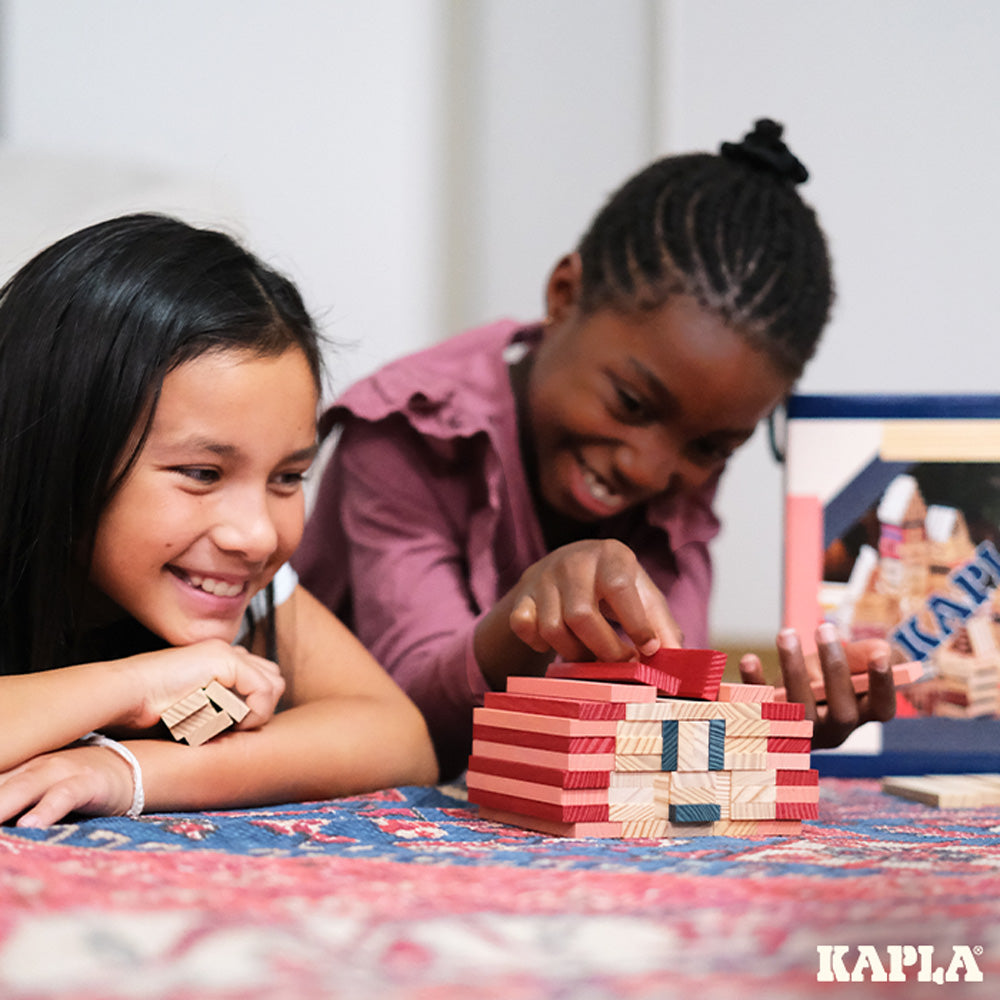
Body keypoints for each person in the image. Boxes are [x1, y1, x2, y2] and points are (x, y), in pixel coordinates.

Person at [294, 120, 897, 781]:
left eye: (711, 448)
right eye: (632, 405)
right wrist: (527, 611)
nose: (648, 468)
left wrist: (760, 726)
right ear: (563, 296)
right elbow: (413, 725)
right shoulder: (408, 431)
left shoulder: (679, 471)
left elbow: (657, 710)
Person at [0, 214, 439, 827]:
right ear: (64, 452)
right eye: (202, 474)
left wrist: (126, 771)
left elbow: (396, 737)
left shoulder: (222, 577)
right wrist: (137, 684)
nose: (256, 535)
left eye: (287, 478)